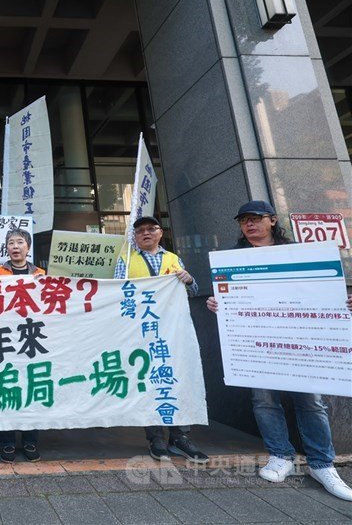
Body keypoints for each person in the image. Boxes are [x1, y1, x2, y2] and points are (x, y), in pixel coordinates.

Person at [207, 200, 352, 501]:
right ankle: (280, 455)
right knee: (263, 399)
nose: (249, 224)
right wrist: (217, 305)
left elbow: (323, 291)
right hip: (256, 344)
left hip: (300, 343)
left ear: (272, 220)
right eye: (244, 220)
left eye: (256, 218)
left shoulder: (297, 253)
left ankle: (322, 463)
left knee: (311, 401)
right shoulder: (233, 259)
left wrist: (343, 301)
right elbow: (228, 299)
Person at [113, 216, 209, 464]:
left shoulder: (173, 259)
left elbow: (193, 290)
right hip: (142, 331)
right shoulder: (127, 260)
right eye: (140, 230)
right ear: (134, 237)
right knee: (149, 381)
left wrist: (189, 280)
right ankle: (155, 437)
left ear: (160, 233)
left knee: (176, 379)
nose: (146, 233)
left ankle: (179, 436)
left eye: (151, 229)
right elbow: (116, 292)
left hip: (173, 331)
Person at [0, 228, 44, 463]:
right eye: (11, 242)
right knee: (7, 388)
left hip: (32, 339)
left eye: (20, 242)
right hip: (3, 339)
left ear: (28, 247)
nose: (15, 246)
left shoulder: (41, 274)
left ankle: (31, 440)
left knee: (31, 387)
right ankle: (7, 442)